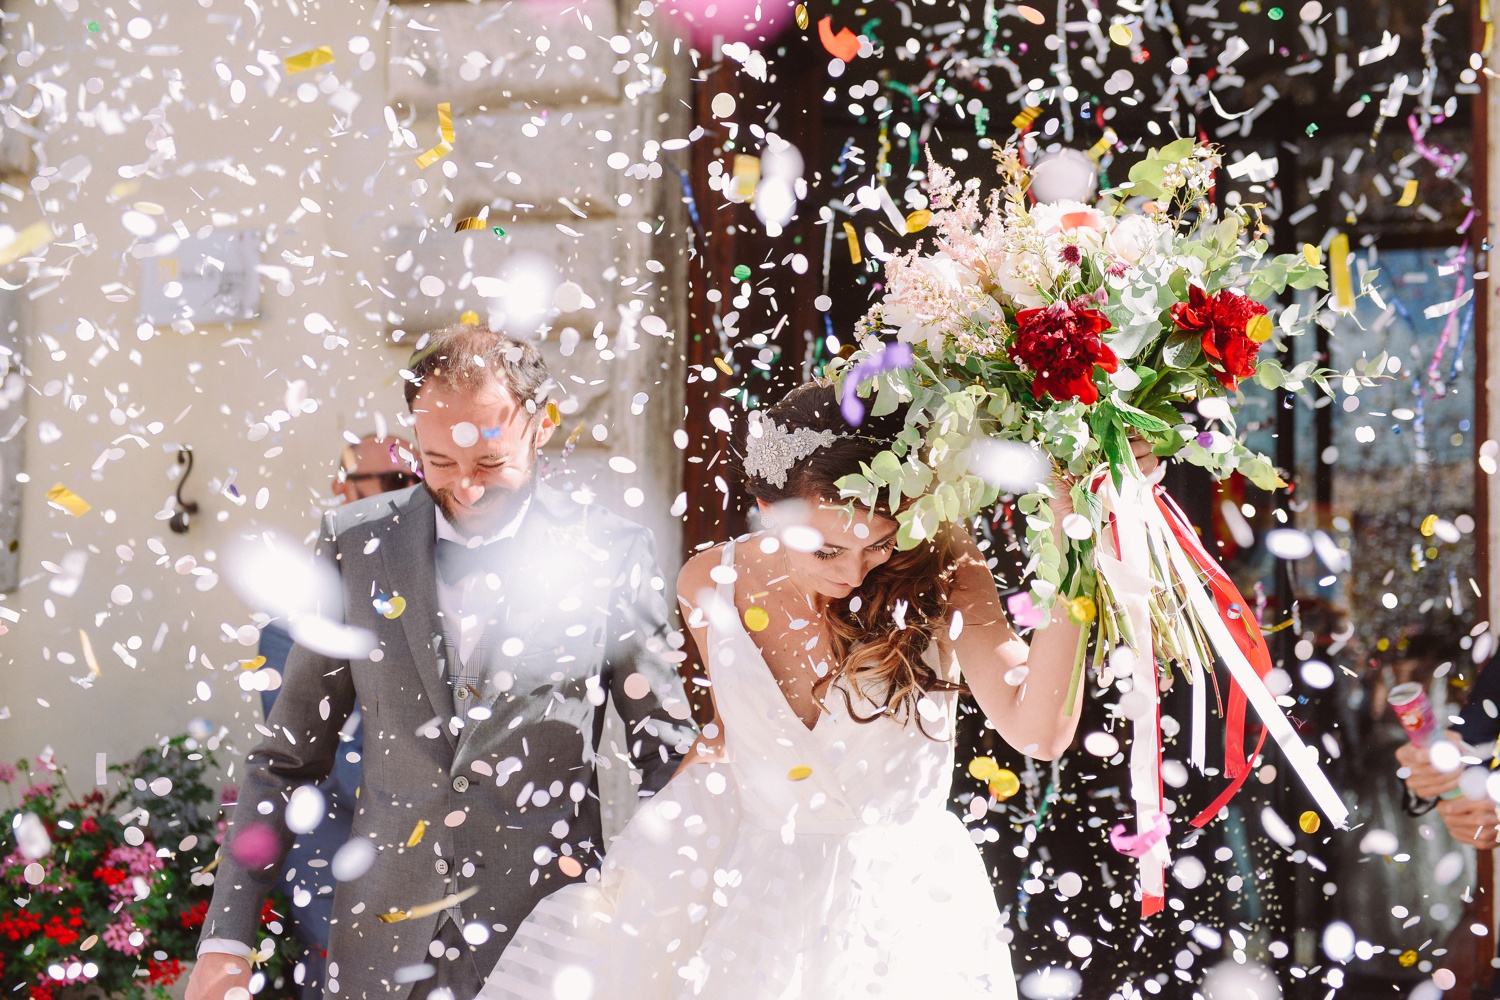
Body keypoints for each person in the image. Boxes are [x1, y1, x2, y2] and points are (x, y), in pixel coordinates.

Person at [478, 379, 1157, 999]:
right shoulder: (706, 582)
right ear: (768, 511)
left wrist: (1079, 546)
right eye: (826, 550)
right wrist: (646, 866)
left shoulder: (944, 568)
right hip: (754, 903)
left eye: (879, 545)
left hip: (903, 912)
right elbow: (737, 737)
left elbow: (1039, 731)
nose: (856, 573)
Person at [186, 324, 697, 1000]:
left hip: (552, 944)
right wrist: (227, 941)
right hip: (379, 951)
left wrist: (674, 912)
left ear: (540, 427)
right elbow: (284, 762)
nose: (466, 488)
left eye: (490, 463)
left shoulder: (610, 554)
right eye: (439, 461)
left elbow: (667, 759)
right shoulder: (356, 546)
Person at [255, 433, 419, 997]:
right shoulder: (292, 616)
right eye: (396, 482)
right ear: (341, 490)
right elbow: (314, 755)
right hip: (343, 875)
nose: (410, 496)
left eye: (417, 480)